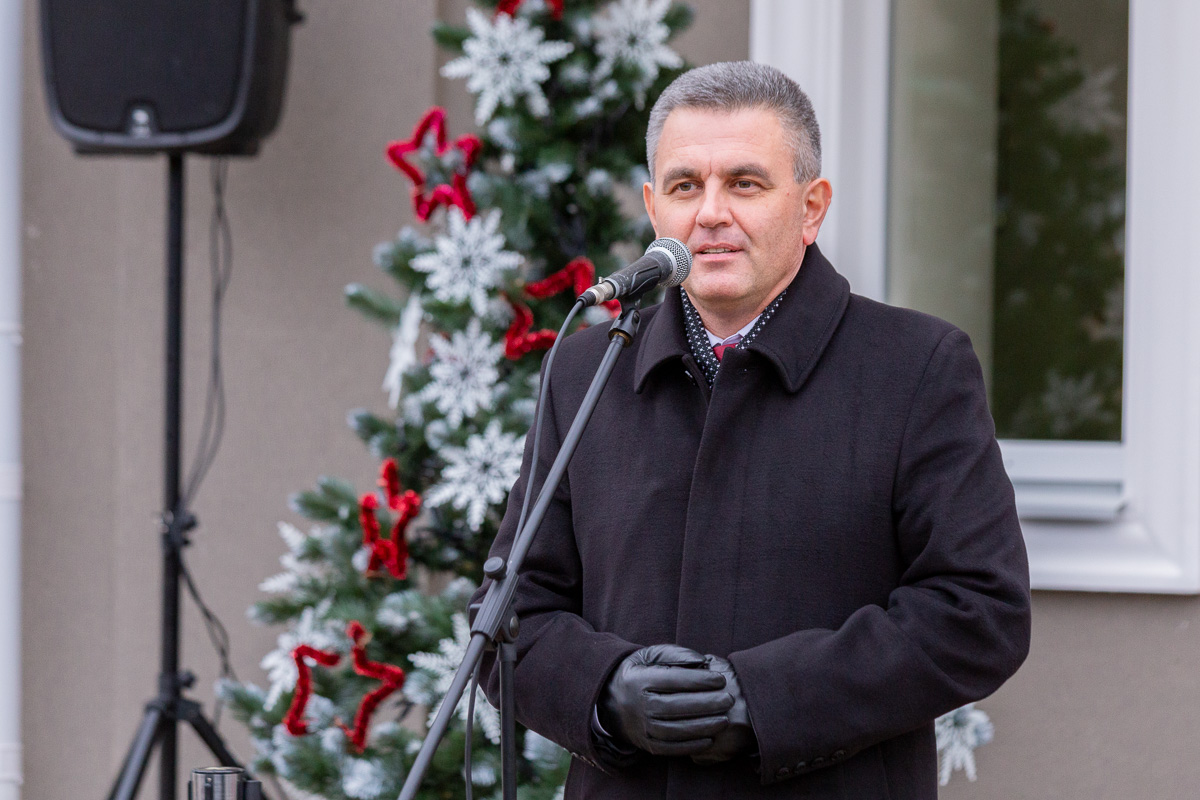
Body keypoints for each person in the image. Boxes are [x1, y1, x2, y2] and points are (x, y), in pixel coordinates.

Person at [475, 61, 1031, 799]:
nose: (710, 213)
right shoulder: (585, 372)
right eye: (684, 186)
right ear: (653, 208)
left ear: (810, 206)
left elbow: (978, 613)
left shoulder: (917, 368)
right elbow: (509, 613)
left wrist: (763, 701)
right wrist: (605, 690)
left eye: (744, 183)